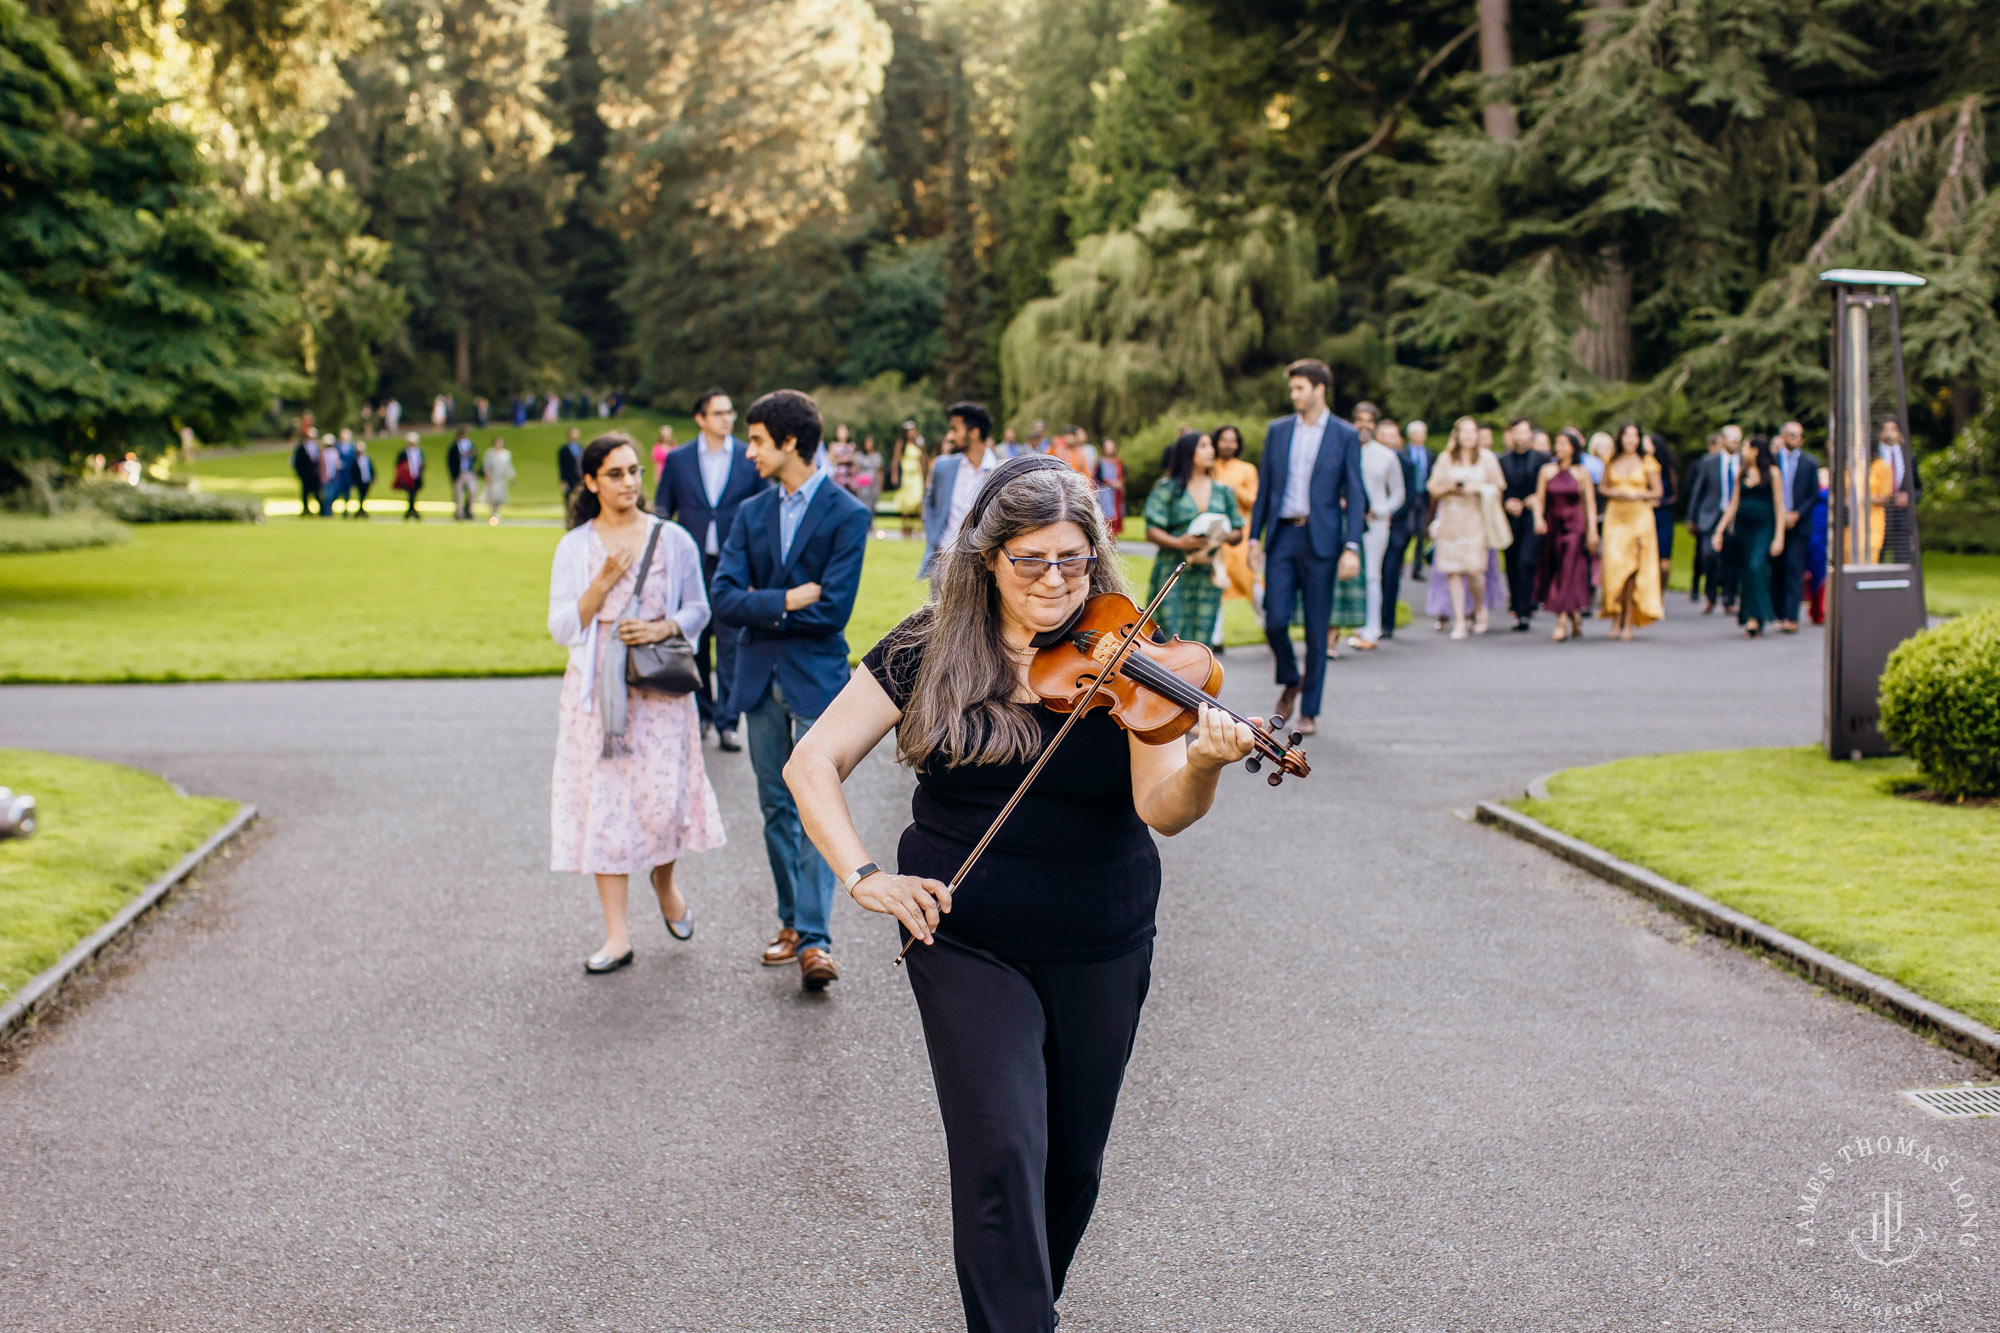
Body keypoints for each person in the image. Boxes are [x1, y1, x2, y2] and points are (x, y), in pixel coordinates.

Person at [782, 455, 1258, 1333]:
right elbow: (812, 762)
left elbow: (1165, 809)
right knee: (1001, 1147)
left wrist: (1204, 762)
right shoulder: (927, 645)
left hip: (1101, 936)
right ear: (986, 558)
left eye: (1072, 560)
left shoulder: (1132, 660)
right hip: (964, 934)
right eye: (1030, 560)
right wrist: (864, 877)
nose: (1054, 580)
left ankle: (1026, 1305)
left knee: (1070, 1166)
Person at [711, 390, 872, 989]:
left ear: (789, 442)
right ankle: (792, 924)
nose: (747, 450)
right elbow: (722, 598)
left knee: (812, 806)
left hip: (816, 679)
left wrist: (764, 608)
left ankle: (814, 940)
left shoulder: (848, 514)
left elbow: (832, 611)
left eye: (755, 440)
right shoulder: (748, 514)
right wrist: (784, 599)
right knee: (775, 807)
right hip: (758, 680)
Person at [548, 434, 723, 974]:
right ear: (591, 481)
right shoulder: (576, 546)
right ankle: (617, 935)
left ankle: (664, 881)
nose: (629, 482)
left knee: (661, 805)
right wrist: (601, 584)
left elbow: (699, 607)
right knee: (604, 810)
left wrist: (662, 625)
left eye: (634, 472)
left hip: (661, 694)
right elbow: (560, 628)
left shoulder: (672, 540)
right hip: (597, 699)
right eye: (617, 473)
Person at [1246, 358, 1365, 735]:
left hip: (1323, 539)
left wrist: (1352, 545)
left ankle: (1309, 709)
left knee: (1317, 627)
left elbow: (1356, 493)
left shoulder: (1344, 435)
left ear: (1319, 389)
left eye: (1299, 388)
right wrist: (1254, 537)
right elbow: (1266, 489)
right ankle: (1290, 676)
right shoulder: (1278, 431)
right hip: (1283, 536)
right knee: (1275, 617)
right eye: (1292, 389)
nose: (1293, 395)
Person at [654, 389, 766, 752]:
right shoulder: (679, 459)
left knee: (732, 643)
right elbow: (662, 512)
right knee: (696, 642)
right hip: (691, 565)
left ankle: (728, 722)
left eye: (730, 412)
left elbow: (763, 514)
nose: (727, 419)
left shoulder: (748, 457)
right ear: (700, 418)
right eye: (718, 413)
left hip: (734, 566)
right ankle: (702, 715)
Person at [1143, 431, 1244, 645]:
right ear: (1188, 453)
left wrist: (1223, 536)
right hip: (1174, 570)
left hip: (1208, 573)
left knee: (1202, 638)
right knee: (1172, 635)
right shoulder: (1168, 488)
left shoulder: (1222, 491)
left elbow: (1238, 531)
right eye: (1204, 446)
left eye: (1210, 446)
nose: (1211, 451)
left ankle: (1198, 679)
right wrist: (1180, 542)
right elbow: (1151, 530)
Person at [1426, 416, 1505, 640]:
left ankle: (1479, 608)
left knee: (1474, 570)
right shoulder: (1446, 459)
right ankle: (1459, 620)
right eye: (1465, 431)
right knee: (1453, 570)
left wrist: (1477, 489)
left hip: (1475, 518)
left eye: (1472, 431)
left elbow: (1499, 487)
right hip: (1451, 517)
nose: (1469, 436)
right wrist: (1450, 488)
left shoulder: (1487, 459)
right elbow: (1433, 488)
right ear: (1457, 435)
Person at [1714, 435, 1787, 637]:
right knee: (1747, 571)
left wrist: (1779, 535)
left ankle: (1759, 614)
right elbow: (1732, 504)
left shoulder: (1772, 473)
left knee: (1756, 566)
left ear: (1755, 450)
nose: (1743, 449)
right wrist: (1720, 530)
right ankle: (1751, 618)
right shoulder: (1742, 473)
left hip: (1764, 528)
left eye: (1746, 446)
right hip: (1743, 529)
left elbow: (1779, 506)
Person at [1598, 422, 1664, 641]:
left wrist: (1639, 495)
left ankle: (1627, 621)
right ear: (1620, 438)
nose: (1630, 440)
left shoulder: (1647, 462)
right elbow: (1602, 486)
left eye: (1634, 436)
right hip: (1616, 517)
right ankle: (1614, 615)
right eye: (1627, 435)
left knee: (1633, 570)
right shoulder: (1612, 459)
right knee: (1614, 567)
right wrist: (1616, 492)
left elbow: (1657, 492)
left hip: (1639, 517)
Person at [1531, 427, 1598, 641]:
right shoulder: (1546, 471)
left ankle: (1561, 622)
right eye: (1557, 444)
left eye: (1563, 444)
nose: (1559, 448)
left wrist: (1593, 532)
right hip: (1553, 524)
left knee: (1569, 570)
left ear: (1573, 448)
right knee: (1558, 570)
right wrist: (1538, 518)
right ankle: (1575, 615)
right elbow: (1539, 499)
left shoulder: (1582, 473)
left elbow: (1590, 505)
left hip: (1575, 526)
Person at [921, 402, 999, 576]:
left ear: (974, 432)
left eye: (955, 429)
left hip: (982, 565)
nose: (949, 436)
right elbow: (929, 502)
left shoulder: (1000, 472)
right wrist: (935, 539)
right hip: (944, 561)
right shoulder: (943, 467)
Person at [1351, 417, 1407, 649]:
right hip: (1348, 523)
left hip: (1375, 524)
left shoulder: (1386, 456)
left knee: (1372, 574)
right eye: (1358, 421)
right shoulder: (1345, 450)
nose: (1363, 426)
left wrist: (1380, 510)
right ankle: (1355, 625)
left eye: (1368, 422)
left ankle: (1372, 629)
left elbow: (1398, 493)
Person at [1497, 417, 1551, 632]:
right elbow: (1497, 489)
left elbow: (1548, 488)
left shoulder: (1542, 459)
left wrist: (1535, 499)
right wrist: (1506, 503)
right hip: (1510, 517)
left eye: (1524, 432)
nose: (1521, 437)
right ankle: (1517, 608)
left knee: (1526, 561)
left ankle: (1526, 607)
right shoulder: (1502, 461)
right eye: (1517, 432)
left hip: (1532, 516)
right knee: (1511, 561)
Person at [1378, 420, 1430, 640]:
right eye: (1384, 435)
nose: (1388, 440)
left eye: (1392, 435)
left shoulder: (1406, 464)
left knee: (1390, 573)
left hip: (1397, 526)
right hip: (1372, 525)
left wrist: (1391, 515)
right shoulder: (1367, 459)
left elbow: (1409, 497)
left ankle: (1386, 621)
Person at [1770, 420, 1821, 632]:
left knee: (1794, 568)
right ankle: (1779, 613)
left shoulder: (1810, 463)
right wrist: (1781, 515)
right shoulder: (1772, 461)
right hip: (1776, 523)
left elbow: (1813, 494)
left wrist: (1797, 514)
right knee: (1777, 569)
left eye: (1799, 435)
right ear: (1782, 436)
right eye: (1791, 434)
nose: (1796, 439)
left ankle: (1792, 617)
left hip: (1798, 523)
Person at [1210, 424, 1260, 610]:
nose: (1228, 445)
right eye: (1224, 440)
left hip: (1239, 534)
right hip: (1214, 532)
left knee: (1248, 578)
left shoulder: (1247, 469)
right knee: (1216, 581)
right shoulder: (1210, 466)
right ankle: (1216, 637)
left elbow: (1254, 500)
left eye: (1232, 441)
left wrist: (1236, 491)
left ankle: (1266, 622)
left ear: (1238, 444)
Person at [1683, 432, 1730, 613]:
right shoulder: (1706, 463)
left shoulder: (1738, 463)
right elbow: (1696, 490)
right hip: (1708, 516)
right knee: (1706, 555)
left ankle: (1727, 596)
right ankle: (1706, 592)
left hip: (1729, 517)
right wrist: (1691, 517)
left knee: (1728, 558)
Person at [1646, 432, 1680, 588]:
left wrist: (1661, 502)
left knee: (1663, 560)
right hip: (1645, 514)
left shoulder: (1668, 467)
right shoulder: (1642, 466)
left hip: (1663, 514)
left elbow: (1675, 495)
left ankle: (1661, 592)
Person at [890, 422, 927, 540]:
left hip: (916, 476)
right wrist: (894, 474)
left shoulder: (918, 444)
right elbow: (896, 460)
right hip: (906, 476)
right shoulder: (901, 444)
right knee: (906, 503)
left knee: (916, 501)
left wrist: (925, 476)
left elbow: (923, 459)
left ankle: (916, 527)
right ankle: (906, 527)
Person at [482, 434, 516, 526]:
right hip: (493, 478)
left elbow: (508, 466)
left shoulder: (506, 454)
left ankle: (496, 513)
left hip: (501, 479)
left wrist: (512, 476)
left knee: (499, 497)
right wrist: (488, 476)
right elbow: (486, 466)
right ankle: (492, 513)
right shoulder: (489, 453)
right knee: (492, 497)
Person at [446, 428, 478, 520]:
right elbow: (451, 461)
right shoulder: (454, 446)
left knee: (472, 491)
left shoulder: (470, 445)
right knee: (458, 494)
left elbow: (475, 457)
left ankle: (469, 510)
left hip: (469, 471)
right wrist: (453, 475)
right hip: (459, 473)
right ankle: (459, 512)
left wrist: (472, 455)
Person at [1094, 437, 1126, 529]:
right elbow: (1098, 477)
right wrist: (1112, 483)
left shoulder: (1118, 461)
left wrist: (1120, 483)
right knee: (1106, 515)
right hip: (1105, 491)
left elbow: (1123, 474)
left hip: (1116, 492)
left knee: (1117, 515)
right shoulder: (1100, 461)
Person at [393, 432, 425, 521]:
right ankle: (412, 511)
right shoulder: (403, 453)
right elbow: (398, 465)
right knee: (411, 494)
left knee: (414, 494)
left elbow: (422, 464)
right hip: (407, 477)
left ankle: (411, 510)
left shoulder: (419, 452)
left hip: (416, 476)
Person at [291, 429, 323, 516]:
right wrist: (300, 474)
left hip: (315, 475)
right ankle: (306, 509)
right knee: (305, 493)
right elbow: (296, 463)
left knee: (317, 492)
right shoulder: (301, 448)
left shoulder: (317, 448)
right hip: (305, 475)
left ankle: (322, 510)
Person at [852, 434, 883, 519]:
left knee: (872, 505)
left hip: (873, 485)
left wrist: (880, 486)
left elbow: (880, 472)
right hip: (862, 486)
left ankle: (871, 523)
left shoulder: (877, 456)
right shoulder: (859, 456)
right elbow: (855, 470)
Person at [348, 436, 375, 518]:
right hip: (359, 481)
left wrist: (373, 478)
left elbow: (371, 469)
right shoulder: (355, 459)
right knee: (361, 495)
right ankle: (361, 511)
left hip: (367, 480)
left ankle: (361, 510)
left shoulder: (367, 458)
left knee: (364, 495)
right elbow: (353, 471)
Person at [558, 427, 585, 507]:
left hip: (580, 477)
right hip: (570, 477)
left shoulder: (581, 448)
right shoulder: (564, 450)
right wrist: (563, 480)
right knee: (569, 497)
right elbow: (562, 466)